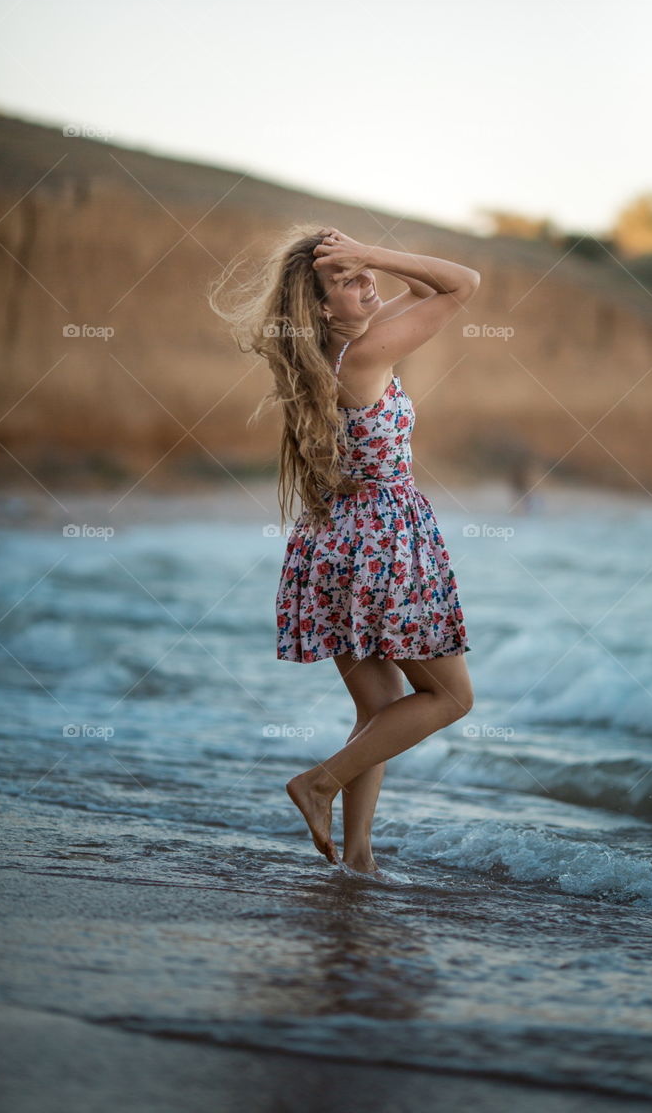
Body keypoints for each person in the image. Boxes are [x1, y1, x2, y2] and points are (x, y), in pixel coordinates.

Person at [208, 224, 481, 876]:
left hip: (330, 540)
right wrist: (376, 253)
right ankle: (319, 782)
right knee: (452, 699)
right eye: (349, 281)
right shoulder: (364, 354)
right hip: (380, 540)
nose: (368, 285)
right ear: (321, 306)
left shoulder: (330, 348)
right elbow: (461, 283)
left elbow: (423, 287)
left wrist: (359, 262)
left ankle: (357, 859)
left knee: (380, 709)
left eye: (366, 278)